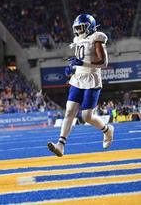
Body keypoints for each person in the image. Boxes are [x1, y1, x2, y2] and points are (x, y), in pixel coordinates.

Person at [47, 14, 114, 157]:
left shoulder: (96, 38)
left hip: (92, 79)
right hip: (77, 79)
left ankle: (107, 130)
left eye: (81, 27)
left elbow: (103, 62)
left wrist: (82, 64)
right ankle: (61, 145)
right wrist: (72, 69)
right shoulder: (77, 40)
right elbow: (80, 61)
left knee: (86, 116)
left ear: (89, 26)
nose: (78, 31)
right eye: (76, 28)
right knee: (69, 112)